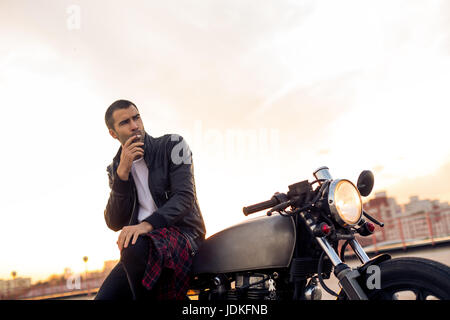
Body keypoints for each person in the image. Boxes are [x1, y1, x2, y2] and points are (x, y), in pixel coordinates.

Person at [95, 99, 206, 300]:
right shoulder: (115, 169)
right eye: (125, 122)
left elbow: (185, 196)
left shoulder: (174, 144)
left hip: (184, 235)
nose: (134, 126)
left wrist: (146, 225)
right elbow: (114, 222)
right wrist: (122, 175)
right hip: (142, 248)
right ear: (113, 133)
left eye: (136, 117)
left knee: (133, 246)